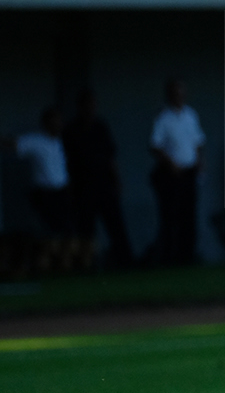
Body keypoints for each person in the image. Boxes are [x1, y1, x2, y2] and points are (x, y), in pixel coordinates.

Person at [63, 89, 134, 268]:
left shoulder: (100, 127)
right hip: (83, 185)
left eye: (93, 105)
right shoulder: (71, 130)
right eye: (87, 105)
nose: (91, 109)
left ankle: (126, 261)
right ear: (80, 107)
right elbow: (66, 161)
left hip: (104, 183)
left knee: (115, 223)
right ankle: (85, 263)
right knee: (86, 227)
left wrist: (117, 180)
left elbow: (111, 157)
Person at [149, 78, 205, 265]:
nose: (179, 96)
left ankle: (187, 257)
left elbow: (197, 141)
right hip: (172, 175)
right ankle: (170, 258)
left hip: (189, 173)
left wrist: (198, 162)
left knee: (189, 217)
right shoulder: (163, 118)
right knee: (171, 218)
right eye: (175, 93)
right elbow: (154, 145)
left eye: (182, 92)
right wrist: (170, 163)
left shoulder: (191, 115)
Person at [10, 107, 75, 236]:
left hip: (62, 192)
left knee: (67, 229)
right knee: (50, 230)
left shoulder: (62, 141)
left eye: (59, 121)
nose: (58, 124)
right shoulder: (37, 140)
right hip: (44, 194)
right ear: (46, 123)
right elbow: (14, 144)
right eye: (54, 121)